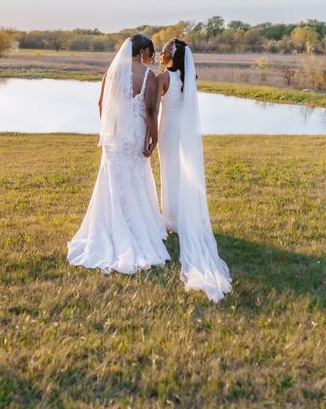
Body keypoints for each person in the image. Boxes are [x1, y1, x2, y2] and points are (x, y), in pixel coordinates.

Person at [67, 35, 169, 274]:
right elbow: (152, 111)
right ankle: (136, 227)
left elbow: (101, 104)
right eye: (150, 53)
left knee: (113, 178)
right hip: (135, 132)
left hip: (113, 135)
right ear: (143, 51)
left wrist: (109, 128)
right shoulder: (148, 76)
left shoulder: (111, 73)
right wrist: (152, 138)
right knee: (136, 176)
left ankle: (111, 224)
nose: (151, 58)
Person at [157, 38, 232, 302]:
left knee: (169, 170)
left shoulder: (163, 77)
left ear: (172, 55)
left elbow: (155, 107)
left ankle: (171, 219)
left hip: (167, 130)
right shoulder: (190, 78)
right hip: (183, 131)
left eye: (165, 49)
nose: (161, 52)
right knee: (181, 171)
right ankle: (177, 217)